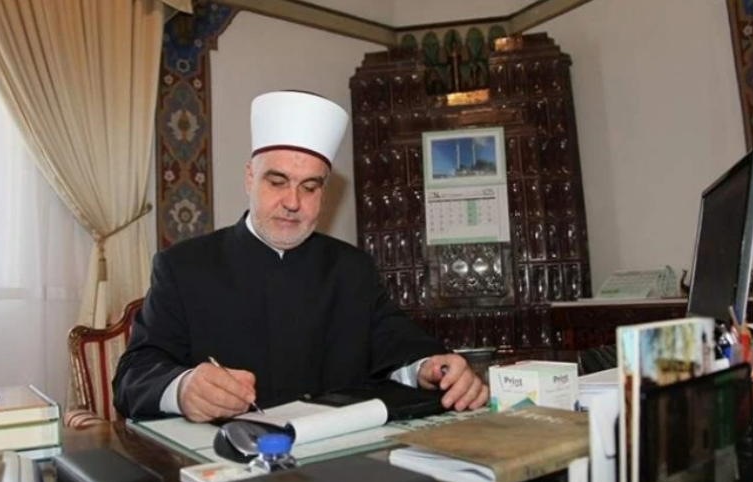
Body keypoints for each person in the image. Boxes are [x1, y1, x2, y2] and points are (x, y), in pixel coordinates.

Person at [112, 90, 488, 423]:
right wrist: (182, 388)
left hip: (339, 459)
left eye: (309, 187)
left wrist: (433, 368)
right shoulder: (183, 266)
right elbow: (133, 377)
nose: (292, 202)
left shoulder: (352, 269)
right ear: (250, 178)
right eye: (277, 182)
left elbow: (400, 349)